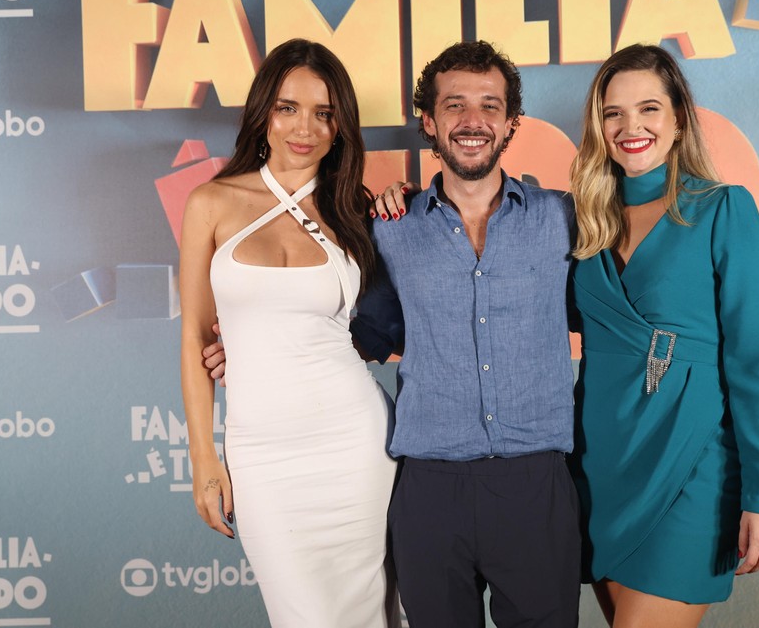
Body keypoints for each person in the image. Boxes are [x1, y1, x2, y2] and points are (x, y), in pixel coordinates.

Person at [352, 40, 582, 628]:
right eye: (455, 105)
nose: (472, 120)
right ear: (429, 121)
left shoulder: (563, 218)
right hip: (429, 489)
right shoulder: (390, 231)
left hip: (536, 483)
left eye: (489, 105)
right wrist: (253, 349)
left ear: (510, 124)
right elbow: (360, 336)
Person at [567, 43, 759, 627]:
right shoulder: (582, 221)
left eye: (649, 109)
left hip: (691, 467)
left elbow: (754, 360)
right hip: (602, 468)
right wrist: (406, 203)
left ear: (678, 120)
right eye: (613, 113)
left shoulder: (723, 210)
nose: (630, 126)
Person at [179, 38, 397, 628]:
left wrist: (400, 204)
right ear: (263, 115)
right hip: (262, 453)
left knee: (377, 611)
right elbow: (195, 339)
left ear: (340, 125)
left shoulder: (357, 207)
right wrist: (204, 457)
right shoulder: (209, 202)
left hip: (355, 442)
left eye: (324, 113)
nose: (306, 127)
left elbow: (398, 312)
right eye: (288, 108)